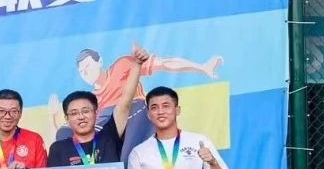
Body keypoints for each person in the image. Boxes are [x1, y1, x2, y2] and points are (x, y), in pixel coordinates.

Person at [50, 45, 222, 153]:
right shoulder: (91, 104)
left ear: (100, 61)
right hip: (112, 132)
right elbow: (68, 136)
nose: (86, 72)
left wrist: (201, 68)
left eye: (88, 66)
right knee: (65, 134)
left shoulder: (121, 66)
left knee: (126, 157)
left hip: (136, 114)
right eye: (82, 71)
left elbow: (164, 63)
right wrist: (54, 115)